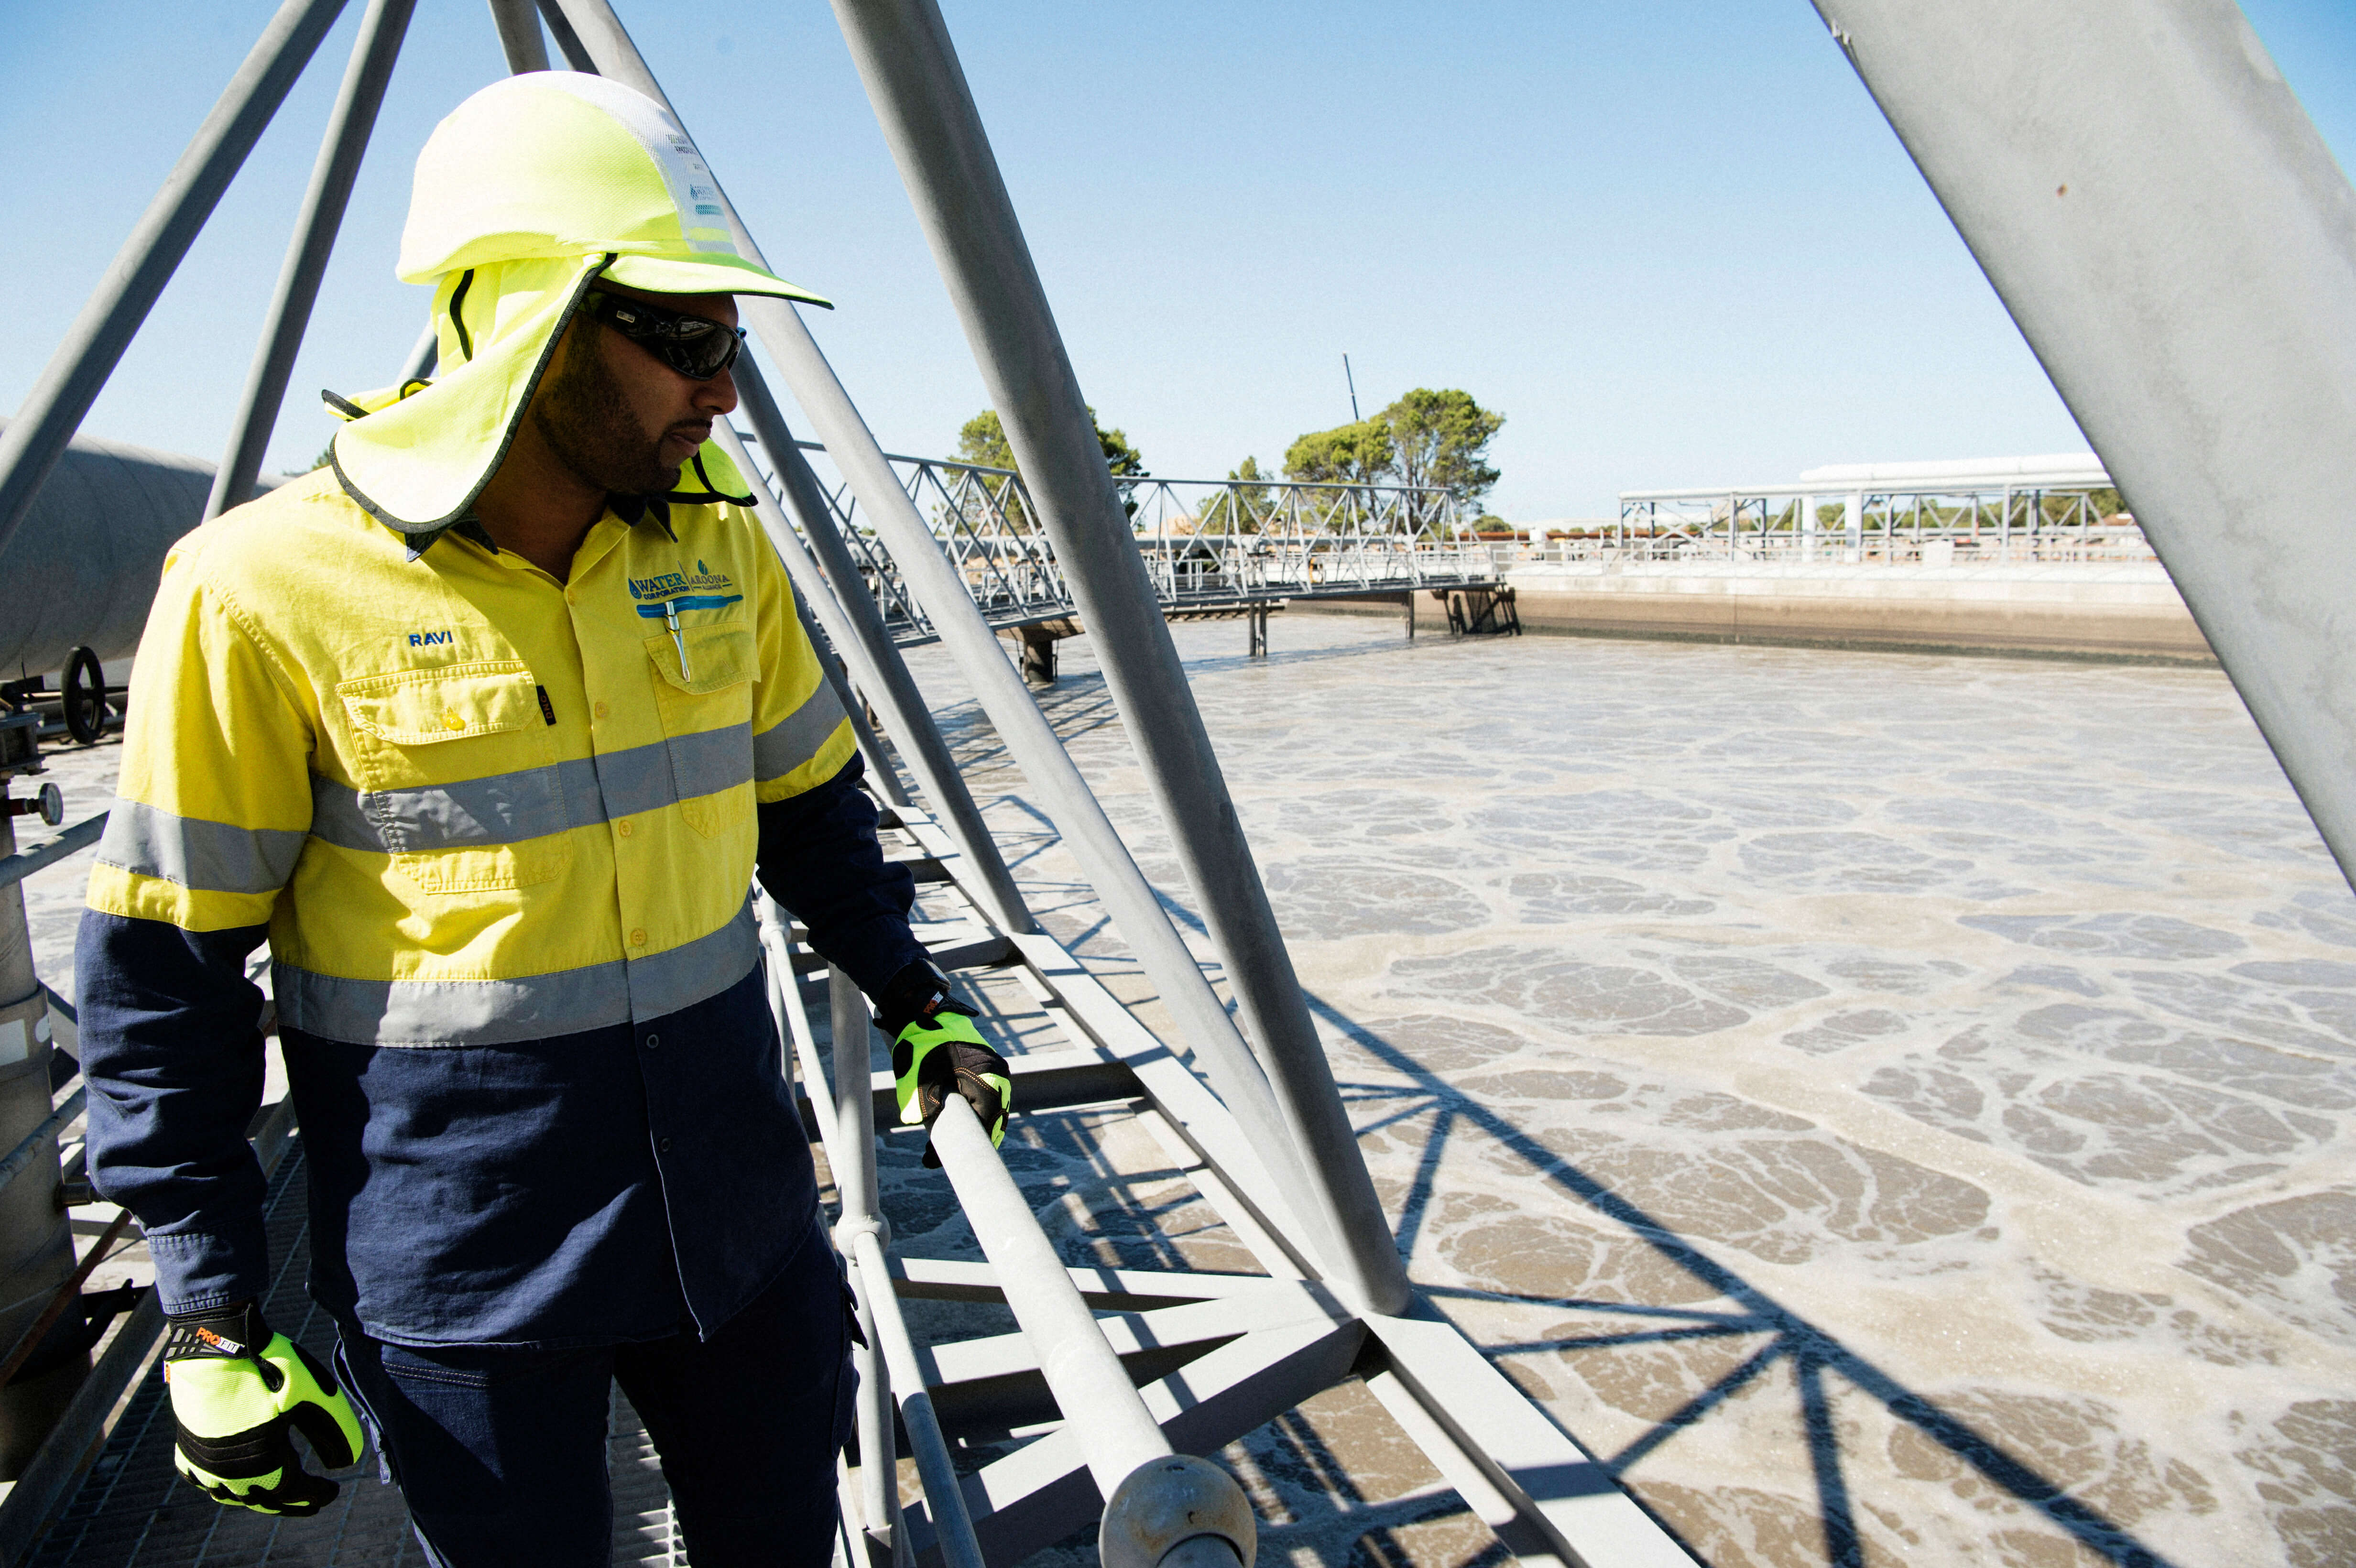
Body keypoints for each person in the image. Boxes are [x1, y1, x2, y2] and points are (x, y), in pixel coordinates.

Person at [75, 72, 1009, 1566]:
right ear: (531, 325)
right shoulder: (257, 591)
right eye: (691, 341)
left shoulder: (722, 546)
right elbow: (165, 972)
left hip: (741, 1226)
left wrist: (914, 997)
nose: (724, 392)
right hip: (468, 1270)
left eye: (738, 349)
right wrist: (206, 1311)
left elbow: (812, 809)